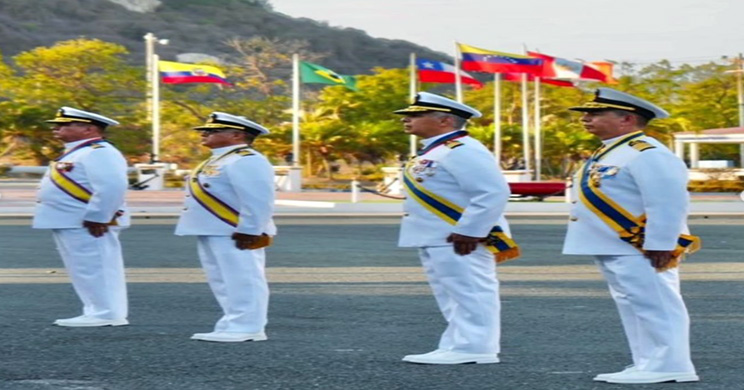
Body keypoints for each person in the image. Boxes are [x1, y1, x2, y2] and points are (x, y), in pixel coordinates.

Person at [563, 88, 701, 384]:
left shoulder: (647, 153)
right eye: (587, 114)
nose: (586, 119)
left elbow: (667, 202)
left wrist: (661, 243)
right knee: (635, 303)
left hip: (639, 245)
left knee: (657, 303)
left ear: (627, 119)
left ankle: (670, 364)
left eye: (595, 114)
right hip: (614, 243)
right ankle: (648, 361)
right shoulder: (614, 150)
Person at [394, 92, 519, 365]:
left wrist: (472, 230)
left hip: (460, 236)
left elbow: (493, 192)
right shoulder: (437, 149)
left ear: (445, 121)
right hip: (438, 235)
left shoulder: (462, 149)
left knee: (472, 290)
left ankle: (477, 347)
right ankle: (457, 343)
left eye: (416, 115)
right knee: (452, 293)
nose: (407, 119)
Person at [175, 112, 276, 343]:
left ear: (236, 135)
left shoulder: (247, 159)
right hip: (214, 228)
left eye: (213, 131)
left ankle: (248, 327)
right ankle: (232, 323)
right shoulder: (220, 159)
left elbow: (259, 199)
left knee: (243, 278)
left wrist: (250, 229)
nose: (205, 134)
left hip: (235, 230)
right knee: (222, 280)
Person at [33, 107, 130, 327]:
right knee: (83, 268)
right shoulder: (78, 152)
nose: (57, 128)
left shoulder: (99, 151)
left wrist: (99, 216)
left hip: (88, 222)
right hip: (70, 220)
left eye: (66, 125)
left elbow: (112, 186)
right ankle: (95, 310)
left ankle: (107, 313)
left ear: (89, 129)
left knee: (96, 266)